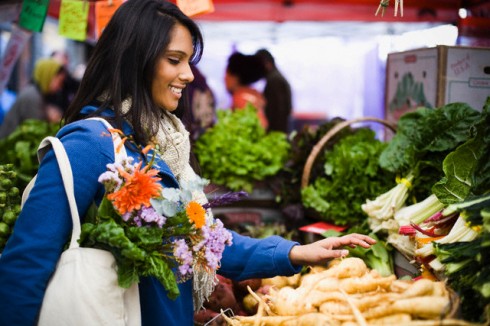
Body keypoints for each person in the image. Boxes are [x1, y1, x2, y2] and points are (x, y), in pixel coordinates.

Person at [0, 1, 376, 325]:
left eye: (189, 61)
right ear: (136, 60)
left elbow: (207, 245)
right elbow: (26, 262)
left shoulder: (164, 144)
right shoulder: (90, 145)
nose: (189, 75)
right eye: (174, 60)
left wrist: (295, 253)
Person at [0, 57, 66, 138]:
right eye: (59, 82)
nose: (60, 87)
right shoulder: (32, 97)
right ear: (48, 76)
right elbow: (37, 133)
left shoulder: (36, 93)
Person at [224, 51, 268, 128]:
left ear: (235, 77)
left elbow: (261, 124)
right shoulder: (254, 93)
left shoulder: (240, 98)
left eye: (227, 74)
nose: (224, 78)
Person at [255, 48, 293, 134]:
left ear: (267, 63)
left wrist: (271, 133)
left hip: (277, 132)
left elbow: (279, 111)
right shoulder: (276, 78)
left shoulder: (275, 80)